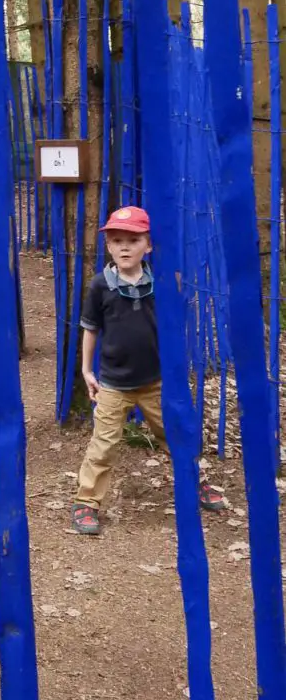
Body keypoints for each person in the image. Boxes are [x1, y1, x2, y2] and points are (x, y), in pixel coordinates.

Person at [71, 205, 225, 536]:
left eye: (134, 239)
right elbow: (91, 328)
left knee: (176, 436)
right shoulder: (101, 285)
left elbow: (183, 302)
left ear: (148, 245)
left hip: (156, 382)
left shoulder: (162, 283)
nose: (125, 247)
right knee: (104, 443)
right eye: (117, 240)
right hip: (113, 383)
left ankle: (194, 484)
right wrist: (86, 370)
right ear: (108, 246)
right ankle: (87, 502)